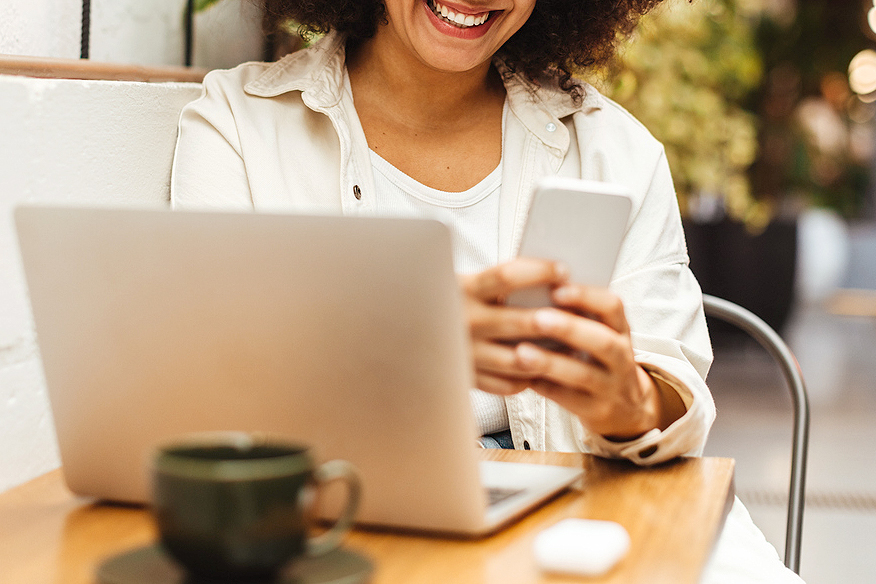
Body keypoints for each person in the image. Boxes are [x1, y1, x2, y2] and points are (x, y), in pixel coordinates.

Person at [171, 1, 804, 582]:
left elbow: (674, 392)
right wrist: (415, 336)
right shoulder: (238, 126)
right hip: (345, 525)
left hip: (592, 525)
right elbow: (206, 392)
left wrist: (630, 403)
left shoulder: (615, 149)